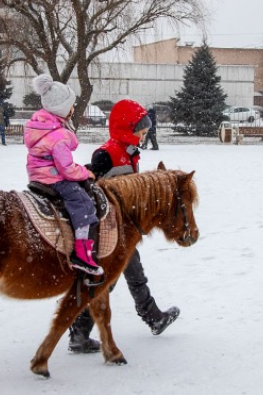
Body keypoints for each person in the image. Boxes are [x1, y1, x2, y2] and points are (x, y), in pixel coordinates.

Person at [68, 99, 180, 354]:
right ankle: (80, 332)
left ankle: (151, 317)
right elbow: (91, 184)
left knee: (131, 273)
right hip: (109, 231)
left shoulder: (130, 153)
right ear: (126, 129)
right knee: (110, 280)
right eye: (140, 131)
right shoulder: (106, 153)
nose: (144, 135)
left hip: (124, 228)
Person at [24, 74, 102, 276]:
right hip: (53, 178)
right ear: (61, 109)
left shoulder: (43, 127)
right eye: (71, 105)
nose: (74, 109)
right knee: (83, 203)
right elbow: (66, 169)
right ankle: (82, 254)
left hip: (38, 175)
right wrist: (86, 173)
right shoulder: (58, 137)